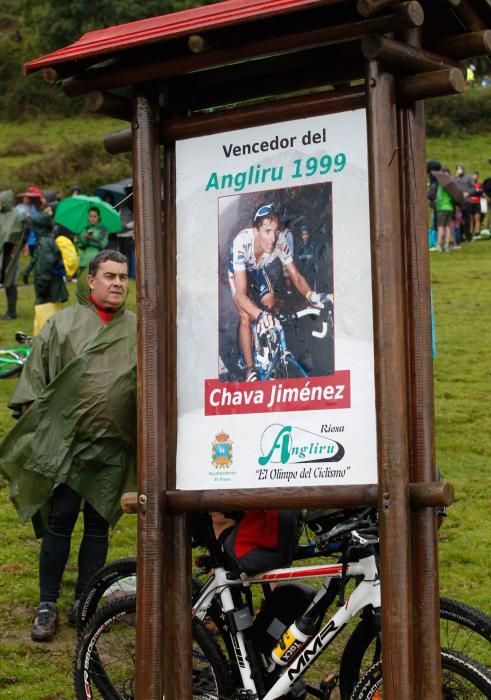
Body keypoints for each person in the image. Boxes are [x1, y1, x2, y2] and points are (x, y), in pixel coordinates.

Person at [0, 250, 136, 642]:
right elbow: (34, 383)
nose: (117, 283)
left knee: (97, 528)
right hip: (66, 448)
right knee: (61, 520)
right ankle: (46, 604)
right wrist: (42, 435)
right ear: (90, 281)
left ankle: (85, 601)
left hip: (112, 448)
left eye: (123, 277)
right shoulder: (62, 325)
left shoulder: (137, 328)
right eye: (109, 276)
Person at [228, 203, 330, 382]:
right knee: (245, 315)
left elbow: (296, 276)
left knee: (270, 305)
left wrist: (312, 296)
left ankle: (266, 349)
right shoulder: (241, 242)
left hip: (258, 269)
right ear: (256, 230)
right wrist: (258, 315)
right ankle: (250, 368)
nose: (273, 238)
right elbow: (241, 294)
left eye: (275, 231)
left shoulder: (280, 241)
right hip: (238, 271)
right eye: (267, 231)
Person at [30, 212, 69, 334]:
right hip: (53, 291)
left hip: (48, 294)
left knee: (45, 330)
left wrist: (41, 288)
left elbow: (45, 268)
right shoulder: (47, 240)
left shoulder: (45, 243)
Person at [0, 190, 24, 320]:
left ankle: (11, 311)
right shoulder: (0, 214)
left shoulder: (16, 216)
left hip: (8, 255)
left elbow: (16, 233)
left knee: (9, 283)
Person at [77, 206, 109, 271]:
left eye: (95, 216)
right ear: (88, 217)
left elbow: (103, 244)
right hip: (83, 262)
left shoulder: (102, 229)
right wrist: (86, 238)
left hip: (97, 262)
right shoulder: (85, 229)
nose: (92, 218)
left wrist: (91, 238)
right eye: (90, 216)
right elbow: (79, 244)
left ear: (99, 217)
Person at [435, 169, 455, 252]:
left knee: (440, 227)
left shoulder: (441, 185)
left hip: (442, 208)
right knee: (447, 227)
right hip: (449, 208)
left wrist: (436, 205)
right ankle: (446, 245)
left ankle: (439, 245)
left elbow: (438, 197)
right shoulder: (451, 186)